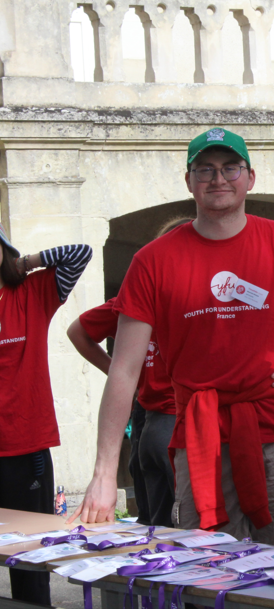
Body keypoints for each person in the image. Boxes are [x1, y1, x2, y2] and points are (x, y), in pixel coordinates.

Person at [71, 128, 274, 550]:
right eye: (205, 169)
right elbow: (123, 368)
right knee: (209, 562)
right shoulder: (153, 261)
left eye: (231, 167)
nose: (218, 178)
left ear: (250, 178)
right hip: (199, 433)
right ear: (188, 180)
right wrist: (103, 475)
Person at [66, 217, 191, 527]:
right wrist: (122, 375)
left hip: (150, 427)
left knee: (155, 528)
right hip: (170, 424)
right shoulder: (151, 298)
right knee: (183, 532)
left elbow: (77, 330)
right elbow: (79, 331)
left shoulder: (141, 299)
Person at [0, 225, 92, 604]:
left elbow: (80, 253)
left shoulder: (31, 292)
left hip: (25, 446)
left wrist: (25, 263)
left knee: (31, 555)